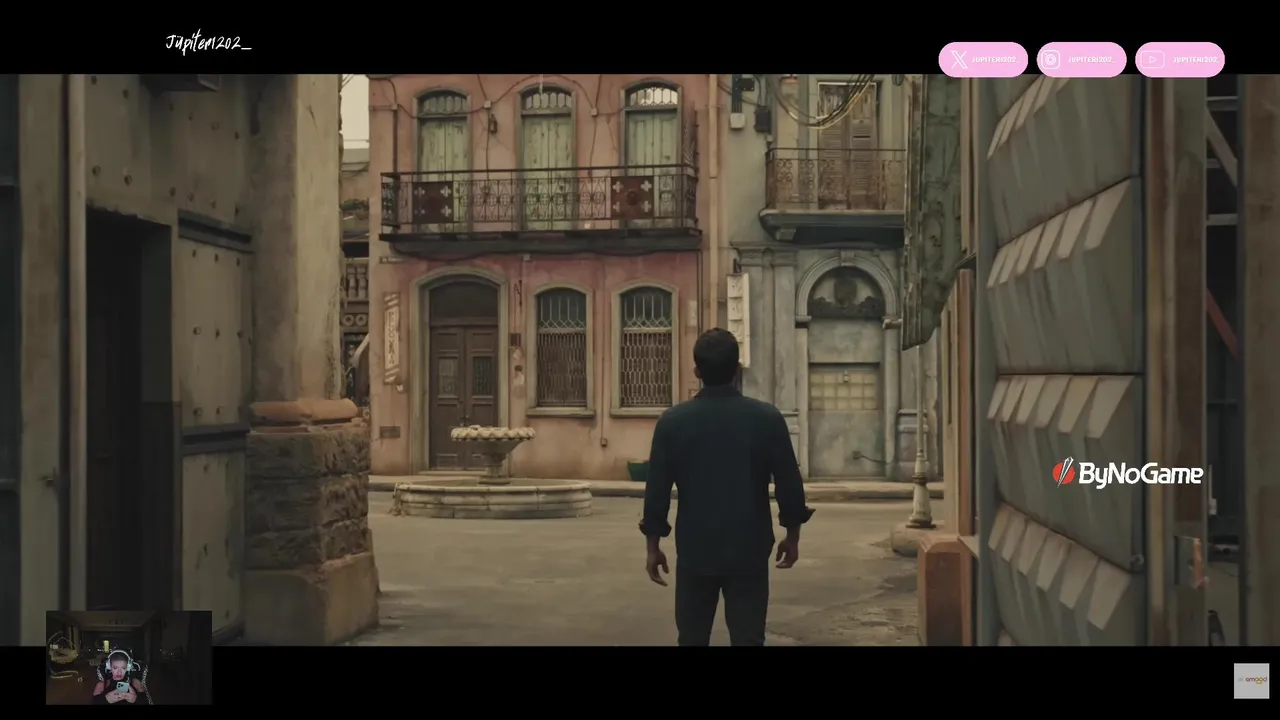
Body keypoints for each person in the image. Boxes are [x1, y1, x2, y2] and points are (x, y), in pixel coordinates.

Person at [639, 328, 814, 646]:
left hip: (696, 549)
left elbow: (657, 491)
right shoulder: (766, 419)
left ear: (697, 371)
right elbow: (789, 483)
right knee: (748, 638)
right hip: (749, 549)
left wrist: (653, 547)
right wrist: (792, 536)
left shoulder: (673, 423)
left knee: (692, 638)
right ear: (737, 369)